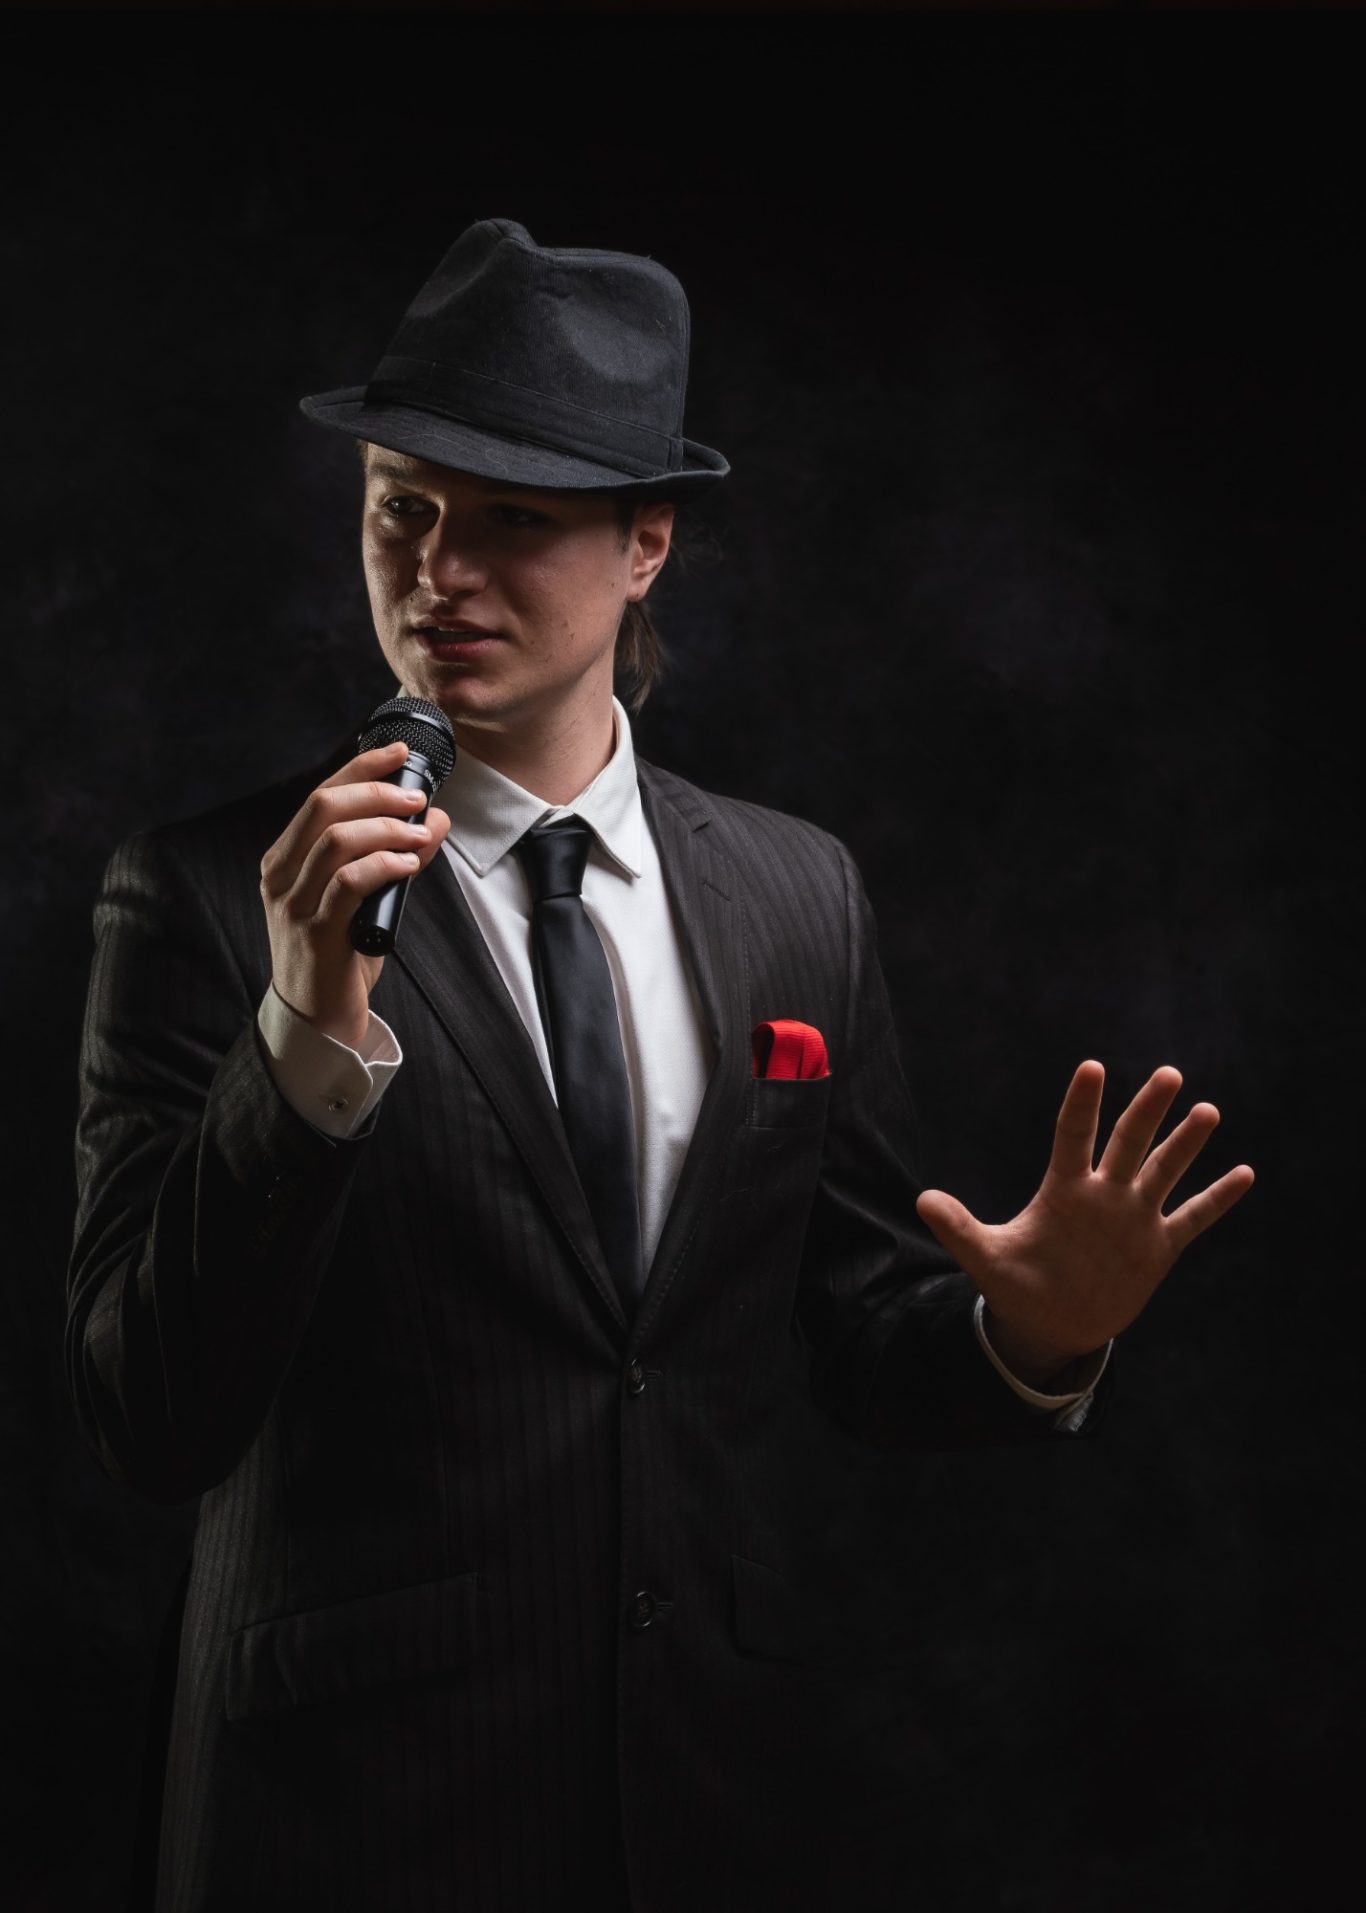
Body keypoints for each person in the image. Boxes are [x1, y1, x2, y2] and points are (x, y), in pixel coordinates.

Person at [65, 218, 1254, 1913]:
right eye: (402, 507)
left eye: (514, 519)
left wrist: (1033, 1333)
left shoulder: (794, 892)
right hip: (340, 1815)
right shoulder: (200, 892)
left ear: (647, 542)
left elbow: (853, 1332)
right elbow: (148, 1411)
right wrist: (306, 1036)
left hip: (698, 1801)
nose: (438, 570)